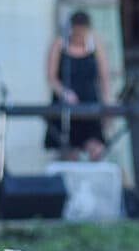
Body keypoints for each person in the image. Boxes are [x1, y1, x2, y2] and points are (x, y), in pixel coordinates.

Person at [44, 9, 111, 160]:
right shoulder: (59, 44)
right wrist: (63, 92)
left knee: (95, 147)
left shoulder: (95, 44)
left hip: (90, 102)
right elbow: (51, 77)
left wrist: (107, 104)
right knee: (69, 150)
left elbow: (104, 77)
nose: (79, 37)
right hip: (66, 105)